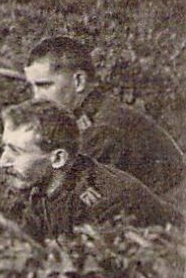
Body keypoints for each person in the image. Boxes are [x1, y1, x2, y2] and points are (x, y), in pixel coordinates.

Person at [23, 35, 185, 199]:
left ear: (79, 81)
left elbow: (64, 194)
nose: (36, 98)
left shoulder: (103, 129)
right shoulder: (98, 110)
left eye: (44, 86)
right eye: (33, 87)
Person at [0, 100, 179, 240]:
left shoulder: (103, 205)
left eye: (15, 152)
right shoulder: (44, 183)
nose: (3, 162)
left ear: (58, 158)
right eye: (5, 148)